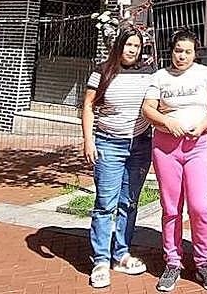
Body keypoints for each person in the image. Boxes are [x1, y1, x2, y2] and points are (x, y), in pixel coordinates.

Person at [142, 31, 207, 292]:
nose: (182, 56)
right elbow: (147, 109)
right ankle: (173, 263)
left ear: (195, 53)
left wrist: (203, 125)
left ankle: (203, 262)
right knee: (171, 208)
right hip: (166, 149)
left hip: (196, 147)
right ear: (172, 51)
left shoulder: (205, 74)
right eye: (178, 50)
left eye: (187, 51)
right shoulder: (159, 76)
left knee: (200, 207)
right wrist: (167, 121)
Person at [82, 24, 155, 288]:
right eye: (128, 44)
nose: (132, 50)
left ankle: (121, 254)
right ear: (118, 45)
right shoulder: (102, 71)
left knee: (130, 202)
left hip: (140, 145)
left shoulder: (148, 73)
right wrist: (89, 140)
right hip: (108, 143)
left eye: (137, 46)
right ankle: (101, 260)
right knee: (105, 203)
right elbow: (88, 106)